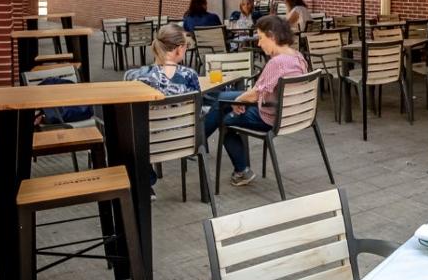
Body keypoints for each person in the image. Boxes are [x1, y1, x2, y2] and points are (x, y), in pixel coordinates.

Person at [203, 15, 307, 186]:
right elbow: (257, 92)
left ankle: (240, 170)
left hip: (270, 116)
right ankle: (204, 125)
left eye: (260, 38)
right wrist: (238, 100)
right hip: (290, 113)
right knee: (222, 99)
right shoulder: (297, 57)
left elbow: (256, 94)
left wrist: (239, 102)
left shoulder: (277, 63)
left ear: (272, 36)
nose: (258, 43)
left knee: (223, 118)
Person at [124, 23, 201, 197]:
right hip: (184, 141)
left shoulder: (137, 75)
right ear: (180, 49)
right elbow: (199, 110)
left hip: (150, 143)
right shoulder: (190, 76)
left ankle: (146, 181)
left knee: (127, 128)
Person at [123, 22, 200, 96]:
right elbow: (199, 103)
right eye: (187, 45)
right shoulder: (190, 75)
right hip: (185, 110)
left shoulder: (133, 75)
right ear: (179, 49)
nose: (187, 48)